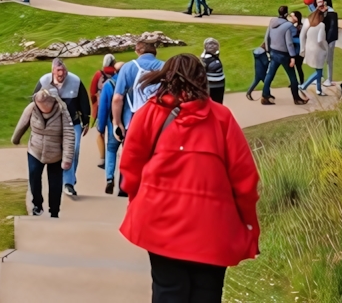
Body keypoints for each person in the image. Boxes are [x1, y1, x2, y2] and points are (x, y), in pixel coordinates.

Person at [119, 54, 260, 303]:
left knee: (167, 290)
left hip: (160, 221)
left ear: (166, 77)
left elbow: (130, 169)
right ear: (202, 79)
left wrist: (137, 201)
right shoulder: (221, 118)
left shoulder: (149, 114)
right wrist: (248, 224)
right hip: (212, 227)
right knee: (207, 293)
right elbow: (245, 180)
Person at [110, 38, 166, 196]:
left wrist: (117, 122)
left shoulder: (128, 67)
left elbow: (117, 98)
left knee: (130, 152)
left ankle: (125, 186)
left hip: (133, 118)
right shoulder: (164, 67)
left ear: (137, 51)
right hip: (158, 119)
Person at [12, 88, 74, 218]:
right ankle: (37, 205)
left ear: (51, 103)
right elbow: (22, 123)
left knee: (55, 182)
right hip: (35, 149)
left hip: (55, 153)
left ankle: (54, 210)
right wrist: (15, 139)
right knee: (34, 176)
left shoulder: (62, 111)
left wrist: (67, 158)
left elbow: (69, 134)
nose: (40, 109)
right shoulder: (32, 108)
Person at [35, 60, 90, 199]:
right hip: (53, 124)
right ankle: (64, 182)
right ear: (53, 71)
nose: (61, 74)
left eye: (63, 71)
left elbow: (83, 100)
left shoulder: (75, 81)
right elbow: (34, 102)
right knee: (61, 152)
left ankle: (69, 181)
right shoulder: (44, 82)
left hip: (73, 122)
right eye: (58, 71)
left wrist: (86, 120)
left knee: (74, 150)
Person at [260, 7, 306, 106]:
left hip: (273, 53)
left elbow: (267, 36)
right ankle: (297, 99)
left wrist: (268, 50)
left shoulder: (272, 21)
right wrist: (293, 57)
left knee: (270, 75)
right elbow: (289, 43)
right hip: (284, 55)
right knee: (293, 77)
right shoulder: (288, 26)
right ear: (286, 14)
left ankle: (265, 96)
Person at [89, 54, 118, 164]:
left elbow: (92, 91)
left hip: (101, 107)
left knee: (100, 133)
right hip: (114, 107)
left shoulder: (99, 74)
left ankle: (102, 158)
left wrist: (94, 104)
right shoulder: (117, 74)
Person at [299, 9, 328, 97]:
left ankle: (319, 89)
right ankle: (304, 85)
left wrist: (302, 48)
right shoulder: (321, 25)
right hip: (318, 50)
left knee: (319, 69)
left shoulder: (310, 24)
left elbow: (302, 35)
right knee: (319, 72)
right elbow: (320, 40)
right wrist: (325, 48)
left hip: (309, 49)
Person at [319, 0, 341, 86]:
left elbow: (332, 28)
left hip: (329, 40)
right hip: (323, 39)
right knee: (320, 58)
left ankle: (329, 79)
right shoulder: (321, 13)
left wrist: (327, 40)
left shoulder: (331, 14)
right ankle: (320, 76)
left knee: (328, 59)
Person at [200, 38, 225, 103]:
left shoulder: (215, 56)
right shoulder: (205, 59)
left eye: (214, 44)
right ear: (205, 46)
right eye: (209, 43)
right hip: (211, 86)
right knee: (214, 103)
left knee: (218, 103)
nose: (212, 46)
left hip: (220, 84)